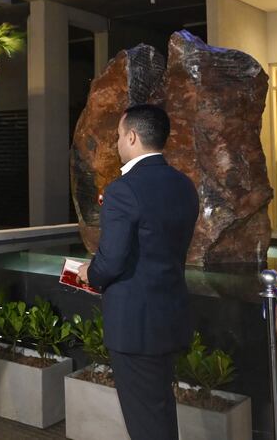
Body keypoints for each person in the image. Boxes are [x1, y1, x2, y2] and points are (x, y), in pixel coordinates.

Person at [77, 104, 199, 440]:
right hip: (169, 316)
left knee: (145, 421)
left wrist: (91, 273)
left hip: (135, 324)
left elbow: (112, 260)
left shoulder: (123, 189)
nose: (116, 143)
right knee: (159, 409)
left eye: (118, 136)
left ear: (132, 136)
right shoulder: (184, 186)